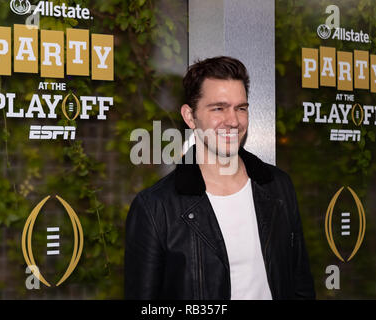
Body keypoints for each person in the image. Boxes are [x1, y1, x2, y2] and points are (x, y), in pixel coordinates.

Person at [125, 56, 315, 300]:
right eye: (218, 108)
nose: (233, 121)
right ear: (190, 117)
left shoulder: (277, 186)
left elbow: (301, 285)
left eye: (241, 108)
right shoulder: (156, 207)